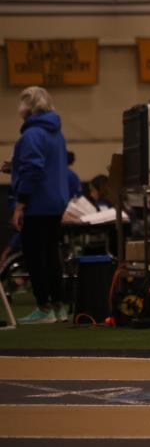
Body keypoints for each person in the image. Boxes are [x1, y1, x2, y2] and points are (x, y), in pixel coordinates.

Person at [9, 87, 70, 324]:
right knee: (52, 255)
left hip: (36, 203)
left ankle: (43, 308)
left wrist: (19, 205)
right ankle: (59, 307)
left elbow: (33, 171)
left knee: (35, 257)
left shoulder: (31, 135)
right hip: (56, 202)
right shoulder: (57, 134)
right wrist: (14, 166)